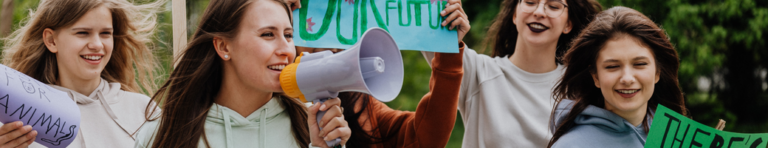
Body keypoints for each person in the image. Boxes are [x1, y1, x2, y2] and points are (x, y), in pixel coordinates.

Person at [134, 0, 350, 148]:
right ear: (224, 47)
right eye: (268, 34)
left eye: (288, 35)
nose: (286, 50)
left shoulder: (311, 125)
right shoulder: (163, 134)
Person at [422, 0, 602, 147]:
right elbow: (425, 23)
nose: (539, 12)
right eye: (530, 2)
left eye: (554, 6)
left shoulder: (579, 88)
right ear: (515, 15)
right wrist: (446, 19)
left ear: (568, 24)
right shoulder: (478, 72)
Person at [0, 0, 164, 147]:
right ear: (51, 40)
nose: (97, 45)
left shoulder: (144, 111)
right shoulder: (16, 121)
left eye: (105, 33)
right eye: (83, 33)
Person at [548, 6, 688, 148]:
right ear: (595, 77)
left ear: (658, 72)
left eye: (639, 64)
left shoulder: (679, 138)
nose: (627, 79)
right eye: (612, 66)